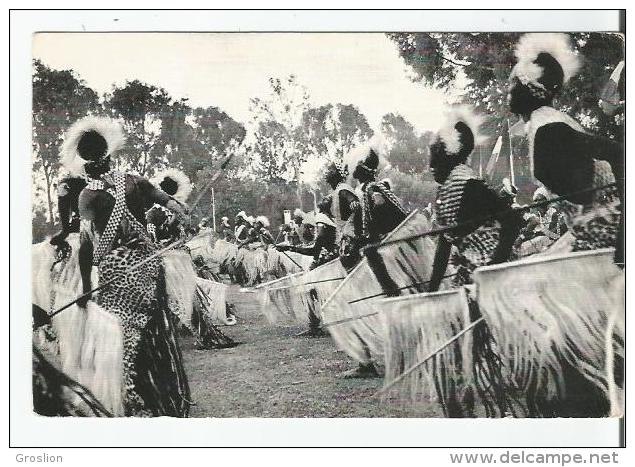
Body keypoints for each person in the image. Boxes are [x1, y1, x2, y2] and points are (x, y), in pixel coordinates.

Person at [62, 116, 190, 417]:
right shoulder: (134, 181)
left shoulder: (87, 196)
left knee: (122, 338)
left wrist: (85, 286)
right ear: (108, 152)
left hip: (118, 273)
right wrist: (181, 212)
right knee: (154, 331)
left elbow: (86, 246)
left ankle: (133, 398)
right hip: (149, 267)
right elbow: (173, 205)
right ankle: (160, 392)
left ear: (84, 161)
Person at [507, 33, 623, 262]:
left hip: (612, 239)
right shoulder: (544, 125)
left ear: (530, 87)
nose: (508, 89)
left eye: (513, 83)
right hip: (595, 239)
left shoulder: (549, 128)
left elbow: (620, 154)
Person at [427, 106, 523, 291]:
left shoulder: (471, 186)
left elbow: (512, 221)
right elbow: (443, 248)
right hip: (472, 277)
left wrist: (493, 268)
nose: (431, 165)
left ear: (450, 156)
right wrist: (431, 292)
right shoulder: (446, 191)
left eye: (435, 156)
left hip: (498, 278)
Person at [345, 137, 408, 247]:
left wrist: (374, 230)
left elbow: (380, 203)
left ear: (361, 169)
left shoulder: (370, 187)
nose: (352, 169)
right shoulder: (367, 188)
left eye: (355, 166)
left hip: (387, 242)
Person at [318, 161, 362, 270]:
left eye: (330, 171)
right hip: (345, 237)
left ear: (337, 174)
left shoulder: (343, 189)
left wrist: (353, 203)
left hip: (352, 237)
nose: (327, 173)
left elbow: (352, 201)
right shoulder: (337, 191)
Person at [146, 169, 192, 244]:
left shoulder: (177, 213)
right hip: (158, 248)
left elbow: (183, 234)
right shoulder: (153, 212)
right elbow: (151, 233)